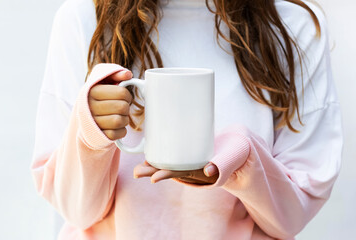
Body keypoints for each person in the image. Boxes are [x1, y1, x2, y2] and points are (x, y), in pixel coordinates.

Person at [31, 0, 343, 239]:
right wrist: (91, 136)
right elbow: (76, 210)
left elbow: (290, 219)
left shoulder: (293, 27)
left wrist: (243, 162)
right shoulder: (84, 20)